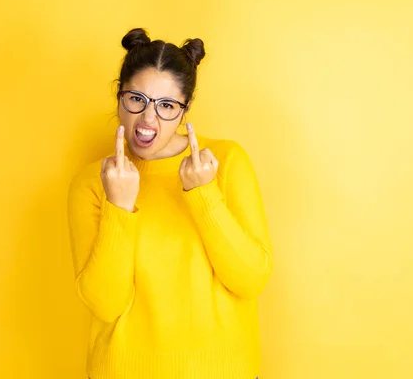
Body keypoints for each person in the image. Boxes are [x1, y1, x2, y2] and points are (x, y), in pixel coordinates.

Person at [67, 28, 273, 379]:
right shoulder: (93, 182)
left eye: (166, 106)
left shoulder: (224, 161)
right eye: (137, 99)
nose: (149, 120)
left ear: (185, 109)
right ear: (119, 96)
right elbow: (105, 304)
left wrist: (204, 195)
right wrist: (119, 206)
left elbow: (251, 280)